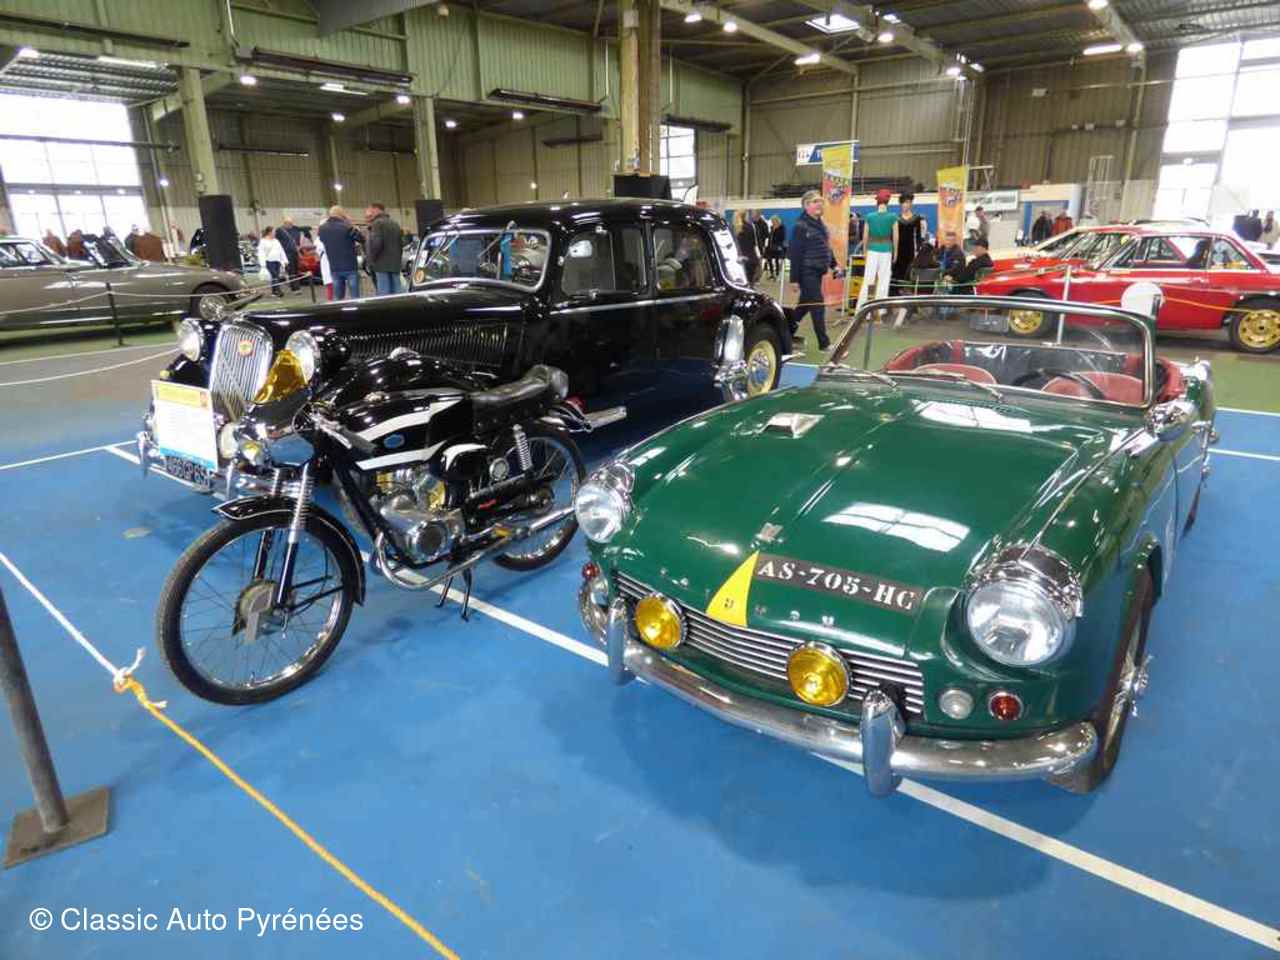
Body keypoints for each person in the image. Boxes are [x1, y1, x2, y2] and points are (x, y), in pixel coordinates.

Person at [788, 190, 839, 351]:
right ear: (806, 205)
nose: (820, 204)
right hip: (807, 271)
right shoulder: (800, 226)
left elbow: (826, 248)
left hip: (817, 271)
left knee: (804, 306)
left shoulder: (820, 224)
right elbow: (795, 254)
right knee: (818, 305)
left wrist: (835, 265)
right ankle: (824, 343)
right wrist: (794, 279)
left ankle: (784, 333)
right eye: (815, 201)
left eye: (821, 201)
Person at [854, 188, 897, 315]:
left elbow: (865, 236)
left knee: (868, 280)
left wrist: (864, 251)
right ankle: (879, 312)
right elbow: (896, 237)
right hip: (887, 250)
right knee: (883, 281)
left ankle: (862, 311)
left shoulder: (870, 217)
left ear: (877, 201)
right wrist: (895, 252)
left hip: (872, 250)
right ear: (888, 201)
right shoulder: (893, 217)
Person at [318, 205, 362, 300]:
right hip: (350, 265)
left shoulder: (322, 228)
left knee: (338, 297)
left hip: (334, 266)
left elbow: (322, 239)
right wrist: (351, 224)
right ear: (342, 214)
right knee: (355, 297)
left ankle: (338, 309)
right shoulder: (347, 226)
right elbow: (361, 238)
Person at [365, 202, 403, 295]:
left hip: (381, 264)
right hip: (395, 263)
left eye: (372, 210)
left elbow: (376, 243)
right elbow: (401, 243)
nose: (371, 213)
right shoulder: (395, 223)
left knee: (384, 291)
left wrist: (372, 258)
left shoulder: (377, 223)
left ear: (377, 209)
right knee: (397, 290)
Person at [891, 192, 926, 295]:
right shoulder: (896, 218)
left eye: (909, 202)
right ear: (901, 204)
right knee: (897, 271)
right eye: (905, 202)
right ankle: (895, 292)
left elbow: (919, 235)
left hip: (910, 249)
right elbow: (892, 236)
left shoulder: (916, 218)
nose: (907, 204)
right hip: (898, 249)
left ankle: (908, 292)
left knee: (909, 271)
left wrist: (918, 249)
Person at [258, 226, 287, 297]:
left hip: (277, 260)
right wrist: (262, 264)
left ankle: (274, 291)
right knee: (275, 275)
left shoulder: (276, 241)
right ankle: (278, 291)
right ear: (269, 232)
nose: (275, 233)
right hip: (269, 261)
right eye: (274, 232)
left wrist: (285, 260)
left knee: (276, 276)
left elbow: (281, 250)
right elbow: (261, 253)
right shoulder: (263, 241)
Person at [734, 210, 760, 285]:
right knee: (749, 282)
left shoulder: (733, 228)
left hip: (738, 259)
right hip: (751, 258)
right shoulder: (750, 226)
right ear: (746, 216)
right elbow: (754, 243)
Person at [275, 216, 301, 291]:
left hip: (294, 252)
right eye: (289, 223)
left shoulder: (294, 229)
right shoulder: (279, 230)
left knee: (296, 269)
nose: (291, 225)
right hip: (287, 253)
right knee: (291, 270)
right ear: (285, 223)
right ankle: (295, 287)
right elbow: (276, 241)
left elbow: (301, 229)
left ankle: (296, 285)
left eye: (292, 223)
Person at [765, 215, 786, 281]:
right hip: (770, 246)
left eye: (773, 221)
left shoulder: (782, 228)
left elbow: (782, 237)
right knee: (769, 259)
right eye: (772, 221)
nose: (772, 222)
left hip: (777, 246)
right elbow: (769, 236)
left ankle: (777, 274)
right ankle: (772, 274)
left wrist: (776, 230)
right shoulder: (771, 227)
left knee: (777, 260)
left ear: (777, 221)